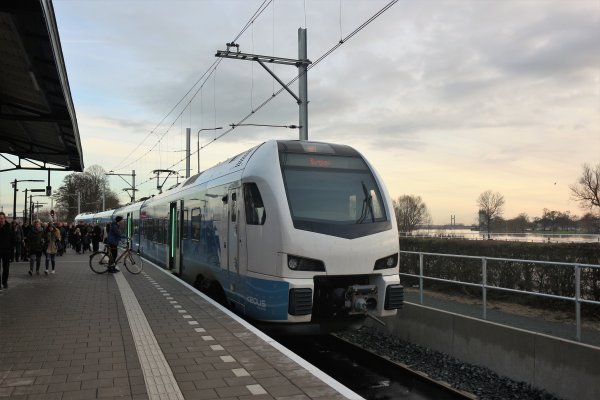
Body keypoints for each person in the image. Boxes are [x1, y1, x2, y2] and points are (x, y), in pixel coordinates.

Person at [0, 212, 15, 290]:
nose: (0, 220)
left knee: (6, 268)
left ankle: (4, 282)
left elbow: (13, 240)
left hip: (7, 251)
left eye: (2, 218)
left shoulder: (9, 227)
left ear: (4, 218)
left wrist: (12, 252)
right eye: (0, 218)